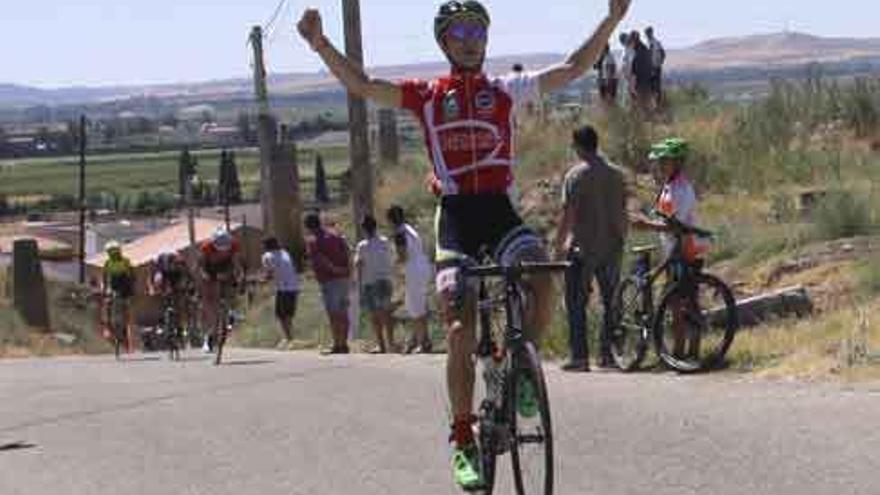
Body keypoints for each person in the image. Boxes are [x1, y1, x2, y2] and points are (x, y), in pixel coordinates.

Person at [297, 0, 630, 488]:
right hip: (455, 217)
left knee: (541, 273)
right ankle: (462, 437)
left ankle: (523, 373)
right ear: (444, 42)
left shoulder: (504, 90)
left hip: (498, 211)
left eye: (478, 28)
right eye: (459, 31)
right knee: (459, 329)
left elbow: (574, 68)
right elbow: (364, 87)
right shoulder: (429, 96)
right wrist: (321, 44)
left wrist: (611, 20)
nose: (471, 38)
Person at [554, 125, 627, 371]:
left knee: (576, 302)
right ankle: (607, 354)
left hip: (582, 247)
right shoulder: (617, 174)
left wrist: (559, 245)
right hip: (611, 244)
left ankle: (580, 356)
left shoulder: (575, 175)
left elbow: (569, 214)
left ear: (577, 145)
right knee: (611, 301)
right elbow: (621, 211)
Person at [630, 138, 706, 358]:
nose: (661, 165)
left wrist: (645, 224)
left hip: (686, 251)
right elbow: (664, 217)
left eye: (666, 161)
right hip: (673, 251)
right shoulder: (668, 186)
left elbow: (676, 225)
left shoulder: (682, 189)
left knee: (686, 304)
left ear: (677, 162)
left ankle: (692, 353)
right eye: (660, 161)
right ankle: (679, 353)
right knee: (675, 305)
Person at [387, 205, 433, 354]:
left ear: (391, 220)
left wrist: (393, 265)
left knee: (415, 308)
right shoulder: (410, 229)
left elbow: (403, 256)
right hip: (423, 267)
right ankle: (421, 339)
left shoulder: (399, 233)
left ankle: (423, 343)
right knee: (418, 305)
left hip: (413, 270)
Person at [304, 211, 352, 355]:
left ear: (307, 226)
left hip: (329, 280)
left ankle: (337, 344)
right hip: (344, 278)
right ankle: (344, 343)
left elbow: (319, 260)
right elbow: (348, 251)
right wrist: (347, 271)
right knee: (343, 312)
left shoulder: (313, 241)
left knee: (333, 313)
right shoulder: (336, 235)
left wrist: (334, 270)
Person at [354, 215, 395, 354]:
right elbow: (391, 259)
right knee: (386, 314)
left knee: (375, 316)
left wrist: (358, 285)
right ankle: (391, 343)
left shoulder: (362, 246)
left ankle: (381, 345)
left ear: (364, 229)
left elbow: (358, 265)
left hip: (370, 283)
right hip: (385, 280)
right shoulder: (385, 241)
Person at [198, 228, 243, 353]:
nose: (222, 251)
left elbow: (236, 263)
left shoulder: (234, 245)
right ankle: (210, 333)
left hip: (226, 267)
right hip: (209, 269)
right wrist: (206, 276)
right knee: (209, 298)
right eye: (219, 248)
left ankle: (231, 310)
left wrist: (239, 277)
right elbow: (201, 266)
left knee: (232, 287)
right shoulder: (206, 247)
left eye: (225, 249)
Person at [260, 237, 300, 350]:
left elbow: (269, 273)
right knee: (289, 315)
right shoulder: (285, 252)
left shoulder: (267, 256)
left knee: (282, 315)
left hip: (283, 288)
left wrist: (262, 280)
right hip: (294, 286)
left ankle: (289, 339)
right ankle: (290, 338)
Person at [148, 250, 193, 339]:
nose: (172, 266)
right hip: (163, 276)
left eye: (174, 265)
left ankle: (180, 326)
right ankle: (160, 322)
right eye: (171, 265)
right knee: (159, 289)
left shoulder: (180, 264)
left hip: (176, 277)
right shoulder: (159, 264)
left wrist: (188, 288)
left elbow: (188, 276)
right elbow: (151, 278)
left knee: (179, 300)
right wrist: (152, 289)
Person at [102, 240, 135, 353]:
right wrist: (105, 290)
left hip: (125, 287)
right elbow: (105, 277)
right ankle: (107, 325)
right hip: (114, 287)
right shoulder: (107, 263)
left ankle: (127, 331)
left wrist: (131, 289)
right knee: (107, 303)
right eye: (111, 252)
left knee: (126, 308)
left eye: (115, 252)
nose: (113, 254)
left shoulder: (126, 261)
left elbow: (132, 276)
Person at [628, 30, 654, 113]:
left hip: (640, 84)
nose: (630, 44)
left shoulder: (638, 53)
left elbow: (635, 72)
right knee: (647, 107)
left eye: (631, 41)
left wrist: (632, 87)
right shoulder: (645, 50)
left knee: (643, 109)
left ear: (634, 41)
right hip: (648, 83)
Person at [645, 26, 666, 108]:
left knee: (654, 88)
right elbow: (663, 54)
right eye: (646, 33)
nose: (647, 35)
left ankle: (657, 106)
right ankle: (655, 106)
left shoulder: (653, 43)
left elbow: (663, 54)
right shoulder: (653, 43)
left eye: (648, 33)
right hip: (654, 67)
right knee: (654, 88)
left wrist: (658, 64)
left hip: (654, 68)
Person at [619, 32, 633, 106]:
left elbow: (625, 65)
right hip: (629, 77)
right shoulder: (626, 50)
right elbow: (624, 65)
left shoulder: (629, 50)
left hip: (631, 77)